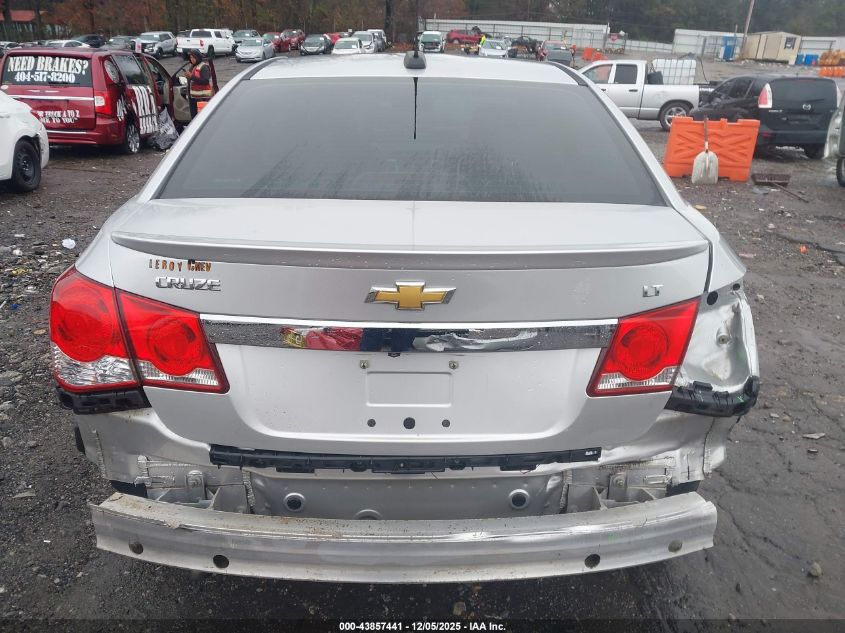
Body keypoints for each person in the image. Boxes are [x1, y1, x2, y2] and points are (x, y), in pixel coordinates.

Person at [183, 49, 212, 119]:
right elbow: (192, 81)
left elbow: (205, 81)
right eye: (191, 57)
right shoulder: (192, 66)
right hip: (193, 97)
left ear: (198, 57)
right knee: (194, 118)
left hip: (202, 98)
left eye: (193, 57)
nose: (192, 59)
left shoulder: (204, 67)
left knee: (201, 118)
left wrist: (191, 77)